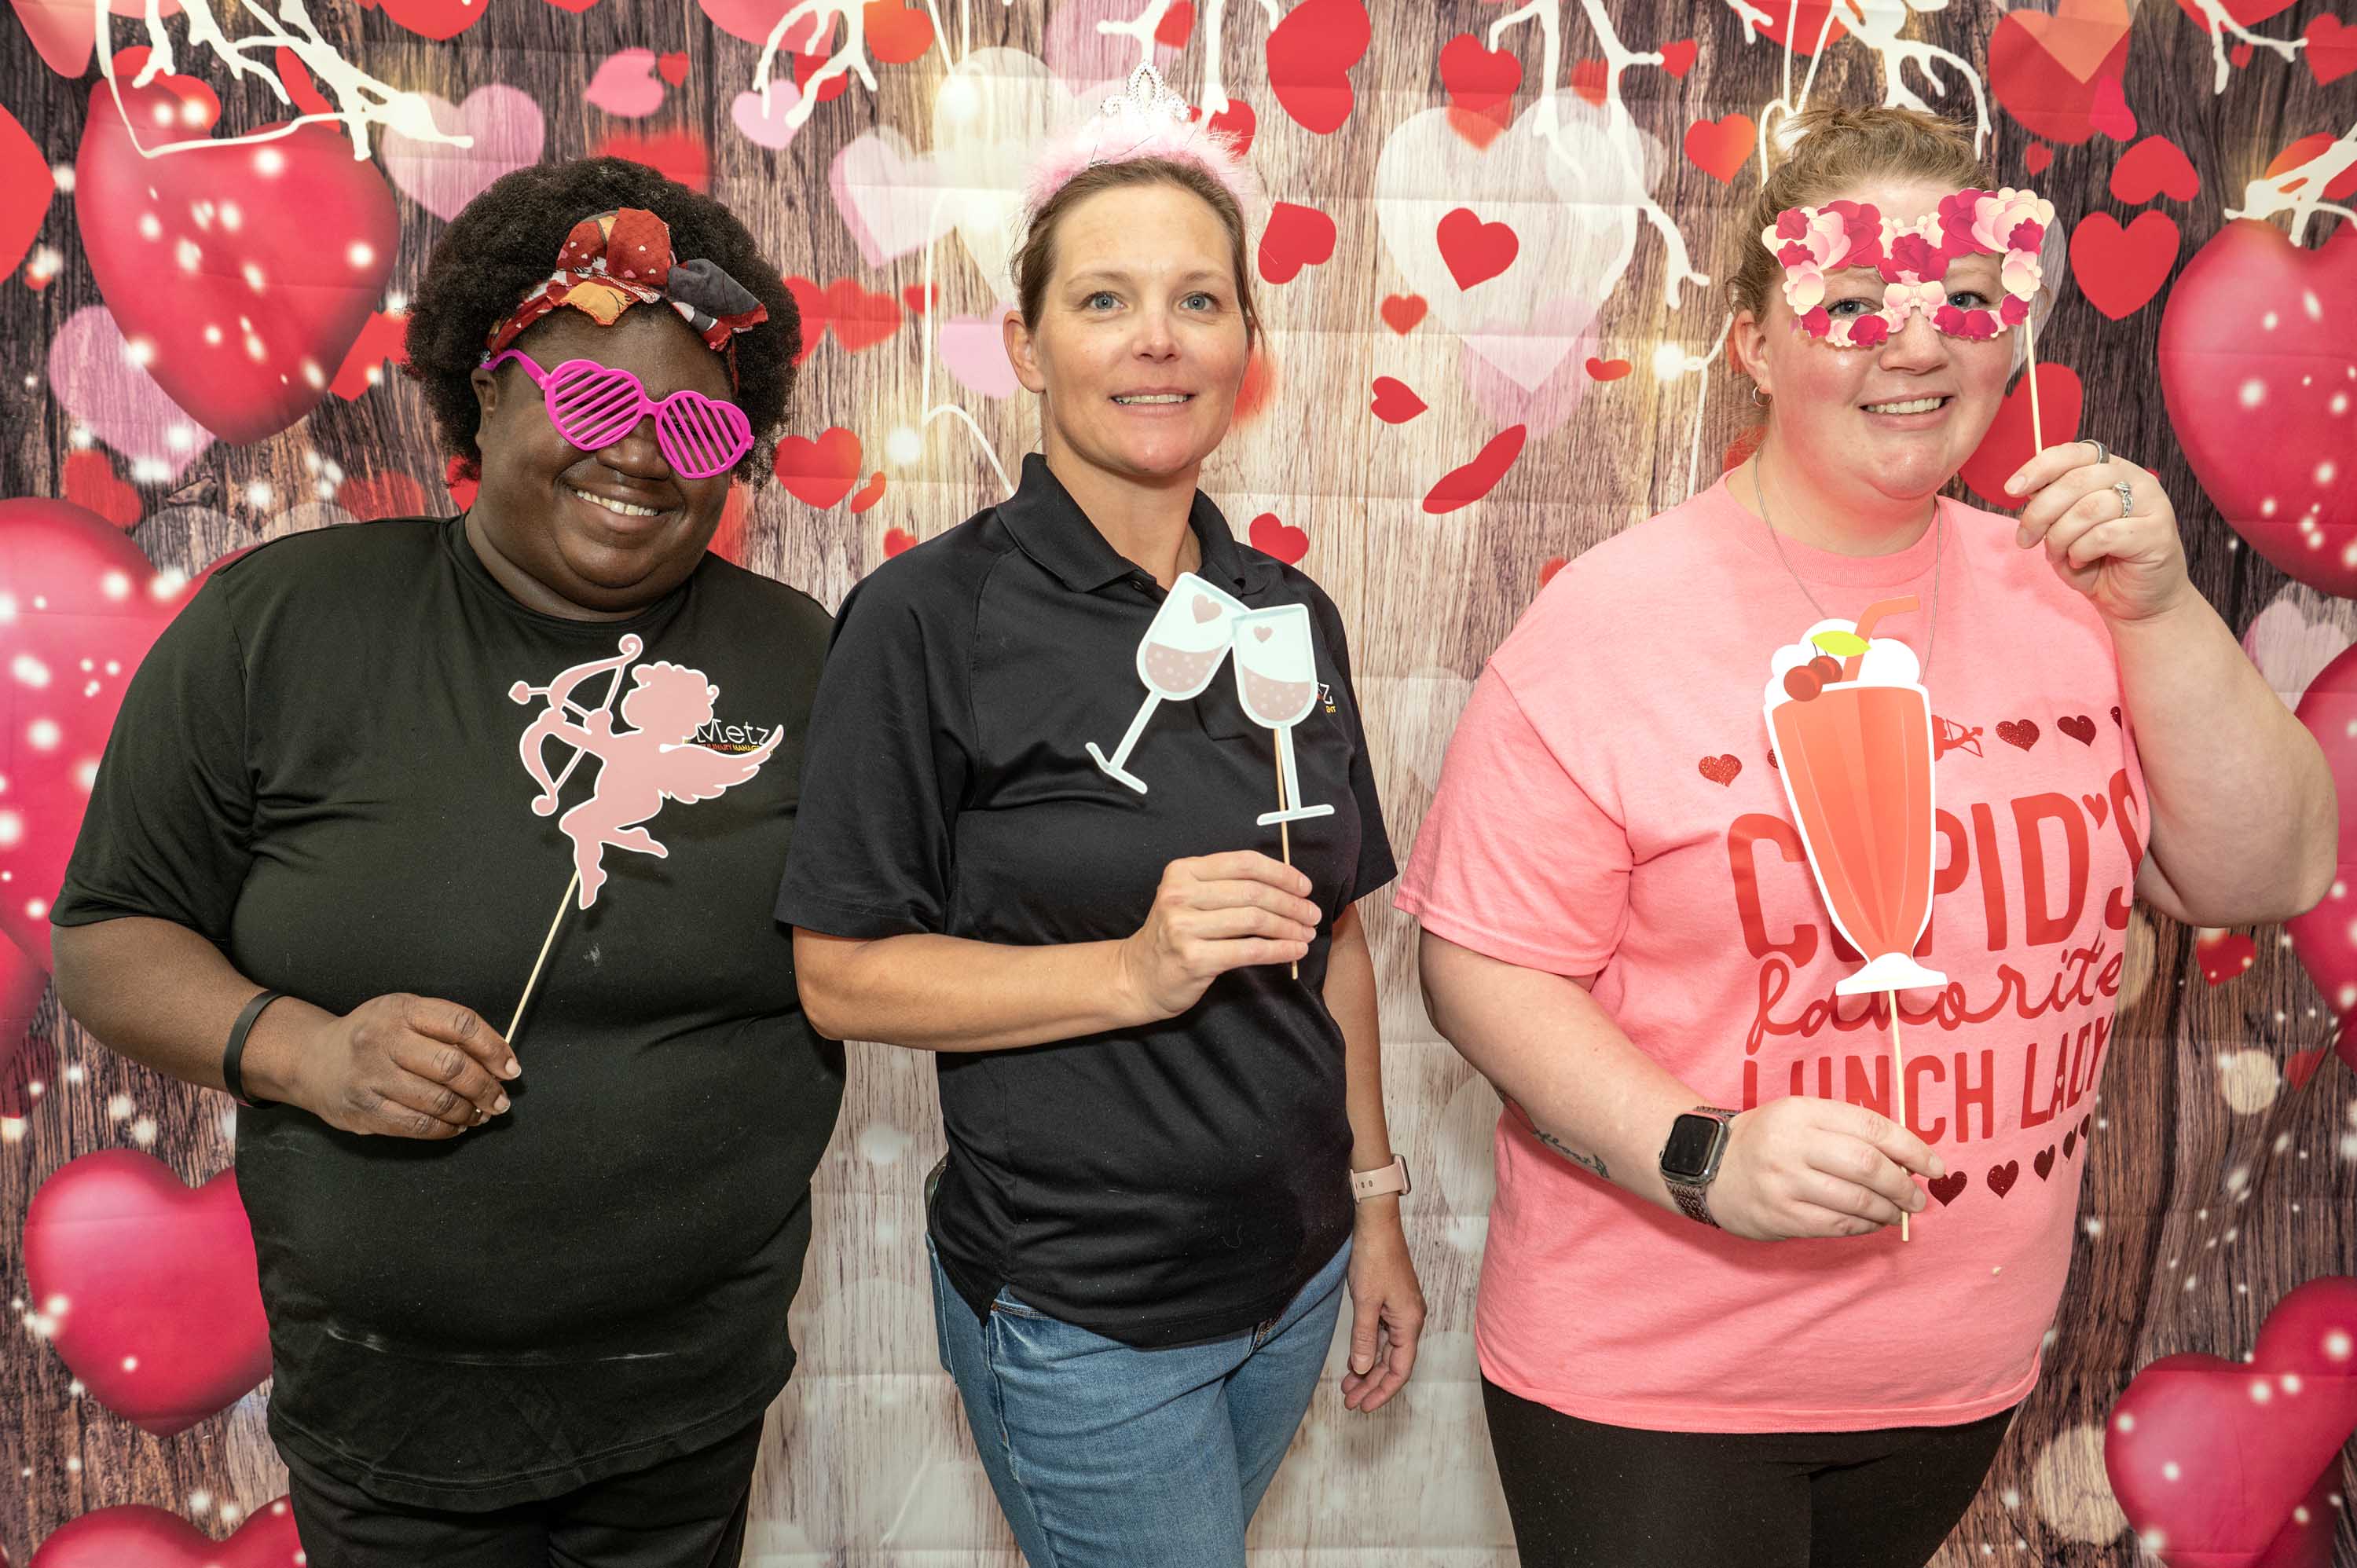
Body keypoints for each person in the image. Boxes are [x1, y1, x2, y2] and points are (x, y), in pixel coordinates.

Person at [1397, 106, 2334, 1568]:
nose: (1913, 343)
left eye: (1961, 295)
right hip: (1658, 1378)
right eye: (1850, 303)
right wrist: (1700, 1153)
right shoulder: (1608, 626)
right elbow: (1479, 969)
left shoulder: (2073, 591)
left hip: (1953, 1371)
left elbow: (2267, 871)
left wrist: (2159, 611)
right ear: (1754, 344)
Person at [49, 158, 841, 1566]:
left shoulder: (806, 663)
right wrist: (305, 1051)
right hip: (387, 1417)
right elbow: (110, 934)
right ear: (485, 394)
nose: (640, 455)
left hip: (686, 1407)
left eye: (696, 424)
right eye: (589, 402)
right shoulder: (283, 623)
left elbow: (902, 941)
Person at [775, 65, 1424, 1568]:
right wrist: (1132, 969)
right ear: (1028, 343)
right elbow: (842, 976)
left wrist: (1376, 1208)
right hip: (1086, 1313)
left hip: (1295, 1277)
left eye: (1200, 301)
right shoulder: (928, 617)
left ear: (1248, 343)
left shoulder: (1287, 609)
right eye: (1104, 301)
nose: (1157, 339)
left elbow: (1333, 941)